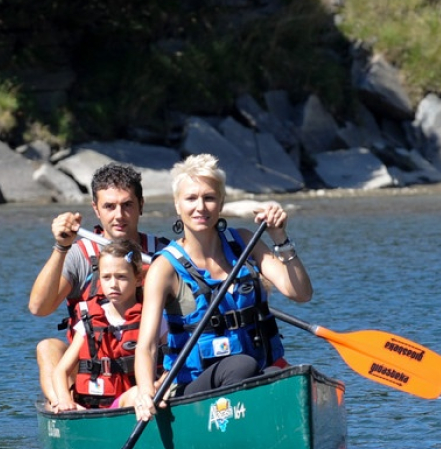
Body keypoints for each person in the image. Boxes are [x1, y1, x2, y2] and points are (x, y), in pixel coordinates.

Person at [131, 153, 313, 422]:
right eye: (191, 198)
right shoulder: (165, 268)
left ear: (221, 203)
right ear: (177, 205)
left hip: (252, 376)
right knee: (242, 364)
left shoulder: (244, 243)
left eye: (209, 198)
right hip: (192, 389)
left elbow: (300, 293)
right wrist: (145, 392)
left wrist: (280, 237)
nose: (200, 207)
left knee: (286, 377)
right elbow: (146, 346)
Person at [29, 163, 169, 409]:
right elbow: (39, 308)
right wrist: (61, 247)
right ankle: (65, 406)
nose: (119, 215)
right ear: (96, 209)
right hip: (95, 371)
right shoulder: (79, 255)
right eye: (109, 206)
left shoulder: (163, 254)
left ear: (141, 205)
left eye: (127, 205)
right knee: (48, 348)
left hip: (148, 370)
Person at [50, 239, 159, 412]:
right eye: (106, 277)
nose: (113, 284)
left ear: (138, 279)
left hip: (140, 400)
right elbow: (60, 371)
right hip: (96, 408)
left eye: (121, 277)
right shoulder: (88, 320)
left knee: (139, 392)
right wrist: (64, 400)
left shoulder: (152, 317)